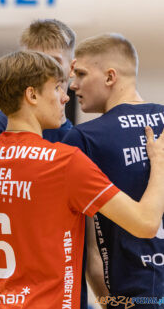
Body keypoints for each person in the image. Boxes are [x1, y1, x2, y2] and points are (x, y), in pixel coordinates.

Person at [0, 51, 164, 309]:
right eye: (57, 89)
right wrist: (160, 165)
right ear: (32, 95)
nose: (65, 97)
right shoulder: (65, 162)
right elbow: (145, 223)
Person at [63, 33, 164, 307]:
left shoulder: (84, 138)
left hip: (134, 295)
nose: (73, 85)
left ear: (110, 77)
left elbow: (86, 241)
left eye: (81, 74)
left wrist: (109, 301)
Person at [0, 19, 75, 146]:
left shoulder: (78, 139)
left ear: (72, 68)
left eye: (54, 62)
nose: (45, 72)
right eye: (34, 62)